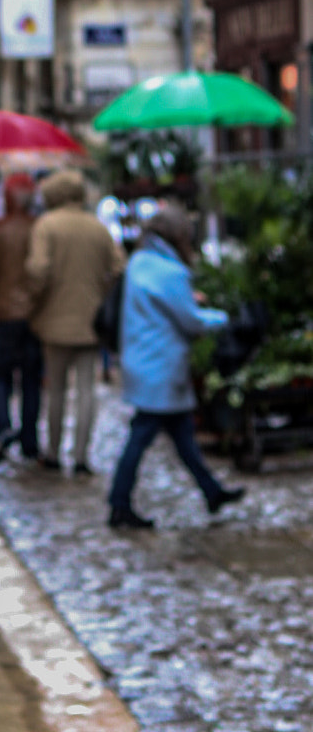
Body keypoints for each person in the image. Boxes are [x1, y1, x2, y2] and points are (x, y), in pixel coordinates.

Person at [108, 204, 245, 530]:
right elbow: (192, 322)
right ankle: (119, 503)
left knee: (181, 434)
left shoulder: (141, 261)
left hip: (144, 361)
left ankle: (211, 491)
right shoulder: (171, 272)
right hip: (162, 366)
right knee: (142, 436)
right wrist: (224, 318)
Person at [25, 168, 125, 475]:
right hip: (90, 321)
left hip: (54, 321)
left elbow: (38, 269)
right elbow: (121, 267)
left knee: (55, 390)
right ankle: (81, 457)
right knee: (86, 391)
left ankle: (53, 453)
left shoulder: (47, 225)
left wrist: (36, 295)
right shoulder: (97, 227)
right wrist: (102, 291)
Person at [0, 171, 42, 465]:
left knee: (1, 376)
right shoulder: (39, 229)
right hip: (34, 316)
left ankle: (3, 428)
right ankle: (29, 440)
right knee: (30, 380)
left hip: (3, 315)